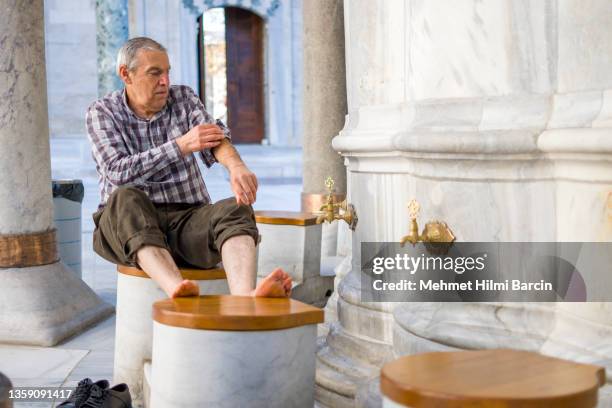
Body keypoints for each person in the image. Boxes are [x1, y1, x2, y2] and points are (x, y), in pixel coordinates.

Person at [86, 37, 292, 298]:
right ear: (126, 74)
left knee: (235, 208)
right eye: (155, 73)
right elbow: (117, 171)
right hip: (128, 224)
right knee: (125, 197)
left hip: (186, 221)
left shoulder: (182, 98)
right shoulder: (102, 112)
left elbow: (213, 137)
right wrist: (180, 145)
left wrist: (236, 166)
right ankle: (177, 289)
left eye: (167, 72)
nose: (165, 81)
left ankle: (245, 298)